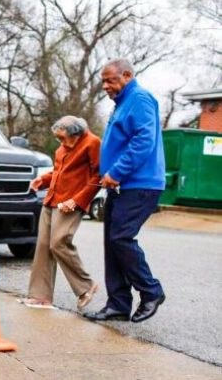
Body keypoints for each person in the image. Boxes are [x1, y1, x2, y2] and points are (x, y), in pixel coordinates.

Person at [84, 59, 166, 323]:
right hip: (120, 186)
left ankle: (151, 291)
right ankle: (118, 304)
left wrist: (116, 172)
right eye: (104, 81)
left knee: (121, 237)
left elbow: (144, 141)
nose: (106, 86)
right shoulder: (121, 104)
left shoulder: (140, 99)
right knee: (112, 242)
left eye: (111, 80)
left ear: (128, 75)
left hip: (140, 184)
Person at [21, 116, 101, 310]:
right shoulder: (63, 148)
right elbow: (59, 172)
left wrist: (77, 201)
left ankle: (86, 286)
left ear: (77, 134)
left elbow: (98, 176)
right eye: (58, 139)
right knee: (42, 246)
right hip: (51, 200)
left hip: (71, 202)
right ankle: (40, 297)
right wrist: (43, 180)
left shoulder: (92, 143)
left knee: (59, 242)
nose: (61, 143)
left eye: (64, 138)